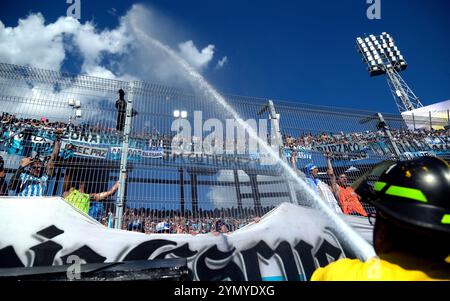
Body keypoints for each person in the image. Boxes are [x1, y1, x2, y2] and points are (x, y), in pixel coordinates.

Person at [312, 156, 450, 280]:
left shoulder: (341, 275)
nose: (344, 179)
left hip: (362, 215)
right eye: (341, 177)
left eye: (345, 177)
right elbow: (332, 178)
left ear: (382, 231)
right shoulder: (339, 190)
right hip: (350, 215)